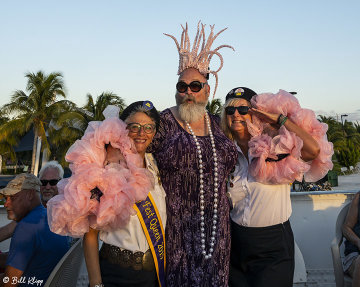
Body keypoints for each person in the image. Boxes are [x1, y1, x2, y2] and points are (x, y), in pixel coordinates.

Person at [151, 22, 237, 286]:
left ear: (207, 91)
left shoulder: (221, 126)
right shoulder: (162, 123)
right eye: (182, 86)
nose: (188, 91)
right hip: (176, 236)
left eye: (195, 86)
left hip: (218, 235)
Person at [221, 87, 330, 287]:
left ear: (255, 114)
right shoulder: (226, 155)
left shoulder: (276, 147)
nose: (236, 114)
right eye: (230, 110)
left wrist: (279, 120)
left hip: (272, 246)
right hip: (236, 246)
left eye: (243, 110)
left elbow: (313, 150)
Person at [83, 101, 166, 287]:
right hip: (115, 273)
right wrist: (96, 283)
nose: (141, 133)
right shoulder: (107, 167)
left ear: (154, 132)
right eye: (133, 126)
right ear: (121, 129)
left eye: (148, 127)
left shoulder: (156, 165)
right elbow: (90, 235)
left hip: (152, 275)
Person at [0, 173, 69, 286]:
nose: (6, 204)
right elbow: (27, 259)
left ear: (30, 195)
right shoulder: (50, 217)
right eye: (5, 198)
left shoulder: (26, 226)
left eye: (12, 198)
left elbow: (9, 282)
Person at [0, 161, 63, 243]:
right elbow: (8, 230)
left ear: (62, 183)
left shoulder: (69, 212)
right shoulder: (32, 207)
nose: (47, 187)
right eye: (43, 182)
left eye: (53, 182)